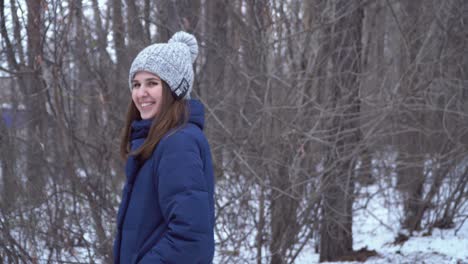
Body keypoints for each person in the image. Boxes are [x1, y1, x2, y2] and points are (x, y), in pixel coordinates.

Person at [113, 31, 215, 264]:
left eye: (152, 83)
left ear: (174, 90)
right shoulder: (156, 140)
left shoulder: (178, 143)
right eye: (136, 84)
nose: (141, 93)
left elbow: (191, 239)